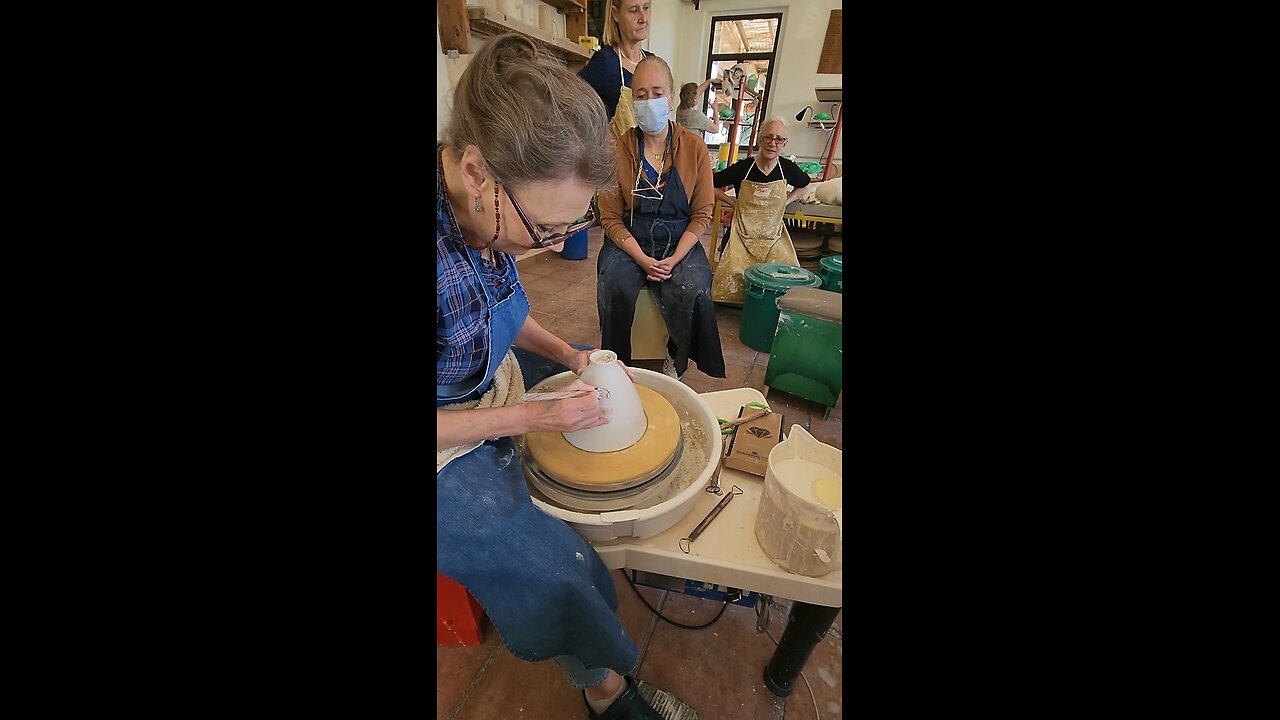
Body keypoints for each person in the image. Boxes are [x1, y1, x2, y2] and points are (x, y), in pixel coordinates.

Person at [437, 34, 681, 720]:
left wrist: (572, 357)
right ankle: (605, 689)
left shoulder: (486, 204)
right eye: (545, 230)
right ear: (477, 171)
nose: (554, 243)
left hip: (479, 374)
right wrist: (528, 417)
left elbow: (504, 310)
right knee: (550, 568)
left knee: (597, 367)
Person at [597, 55, 726, 381]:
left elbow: (702, 214)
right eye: (641, 95)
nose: (649, 101)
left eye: (657, 93)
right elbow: (610, 218)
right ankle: (616, 366)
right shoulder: (618, 149)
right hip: (631, 238)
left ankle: (674, 355)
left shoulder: (694, 148)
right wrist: (642, 259)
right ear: (632, 100)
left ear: (670, 98)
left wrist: (674, 259)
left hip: (679, 237)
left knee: (694, 285)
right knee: (615, 283)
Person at [710, 117, 812, 305]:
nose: (773, 143)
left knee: (786, 283)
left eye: (779, 139)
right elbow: (709, 184)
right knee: (729, 283)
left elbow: (805, 185)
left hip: (773, 238)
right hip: (741, 237)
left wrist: (786, 201)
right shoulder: (743, 167)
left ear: (785, 143)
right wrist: (731, 201)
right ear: (760, 139)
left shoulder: (787, 168)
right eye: (768, 137)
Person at [578, 0, 654, 137]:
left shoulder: (652, 62)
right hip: (618, 151)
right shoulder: (605, 62)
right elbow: (569, 104)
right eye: (634, 10)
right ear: (615, 14)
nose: (643, 18)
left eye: (646, 8)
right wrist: (599, 139)